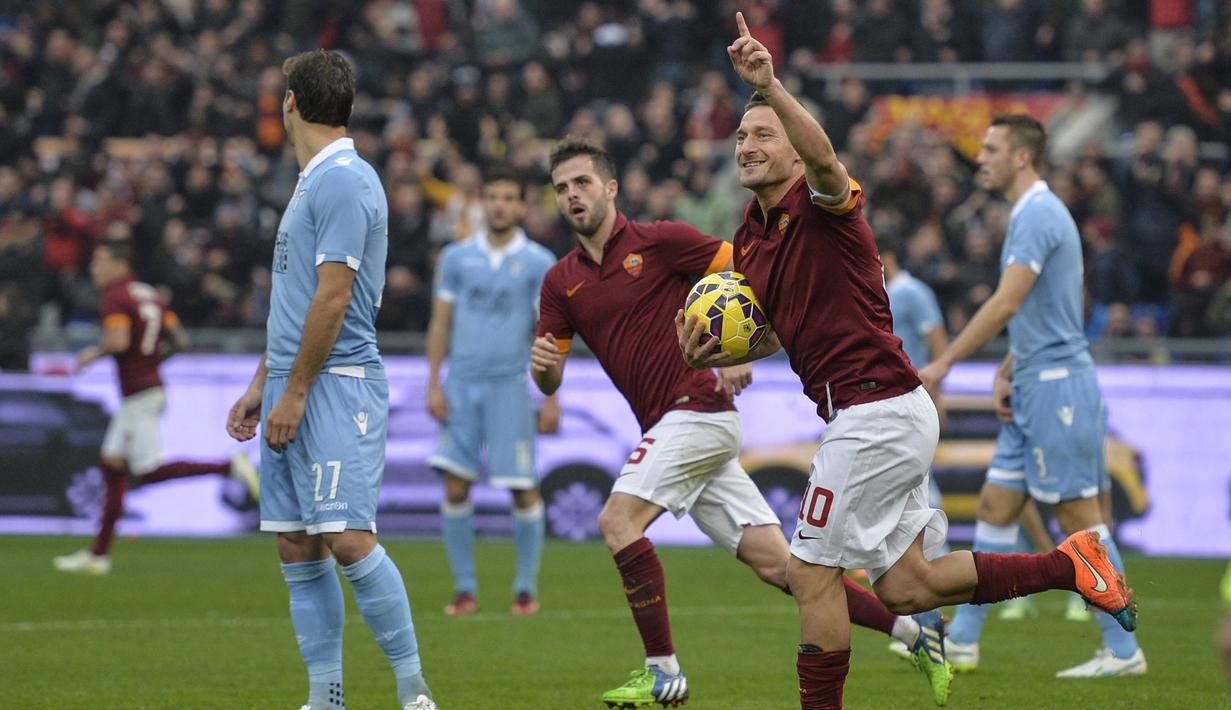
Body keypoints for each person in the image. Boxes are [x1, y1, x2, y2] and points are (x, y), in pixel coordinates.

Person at [677, 14, 1136, 709]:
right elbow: (781, 328)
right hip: (873, 410)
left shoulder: (824, 204)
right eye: (741, 135)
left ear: (795, 151)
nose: (746, 145)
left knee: (809, 571)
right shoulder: (749, 235)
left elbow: (829, 161)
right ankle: (1067, 563)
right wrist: (724, 348)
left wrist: (770, 84)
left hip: (875, 409)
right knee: (906, 586)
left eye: (763, 133)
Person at [532, 136, 949, 709]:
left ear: (610, 188)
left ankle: (663, 672)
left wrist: (741, 352)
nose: (572, 196)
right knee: (785, 568)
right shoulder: (561, 283)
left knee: (616, 520)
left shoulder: (662, 241)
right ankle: (914, 633)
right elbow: (549, 375)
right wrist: (547, 373)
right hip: (675, 428)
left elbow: (756, 281)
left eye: (582, 183)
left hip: (697, 411)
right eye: (561, 188)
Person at [224, 50, 436, 710]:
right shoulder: (314, 180)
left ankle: (413, 693)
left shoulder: (343, 179)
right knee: (297, 542)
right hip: (296, 376)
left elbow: (334, 297)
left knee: (346, 536)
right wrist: (266, 379)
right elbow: (295, 296)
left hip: (336, 381)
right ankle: (326, 699)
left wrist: (293, 391)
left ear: (290, 101)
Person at [916, 114, 1146, 679]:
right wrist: (1007, 369)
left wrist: (945, 362)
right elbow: (1051, 309)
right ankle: (964, 643)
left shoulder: (1038, 213)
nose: (982, 158)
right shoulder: (1034, 214)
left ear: (1022, 157)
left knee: (1079, 522)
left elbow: (1007, 302)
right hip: (1033, 382)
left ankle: (1123, 651)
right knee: (996, 507)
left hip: (1056, 388)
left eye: (992, 148)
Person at [54, 239, 259, 575]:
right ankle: (98, 555)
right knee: (113, 467)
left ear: (121, 264)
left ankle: (227, 467)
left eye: (101, 261)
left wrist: (93, 354)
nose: (95, 268)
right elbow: (180, 339)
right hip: (147, 390)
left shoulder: (116, 297)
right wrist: (152, 361)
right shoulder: (150, 294)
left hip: (140, 396)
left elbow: (118, 341)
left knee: (145, 471)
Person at [425, 164, 558, 617]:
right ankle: (464, 590)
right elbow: (440, 322)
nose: (500, 204)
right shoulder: (456, 258)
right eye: (493, 196)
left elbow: (549, 332)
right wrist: (433, 382)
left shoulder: (539, 262)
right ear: (482, 203)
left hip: (510, 386)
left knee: (523, 488)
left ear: (522, 205)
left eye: (508, 197)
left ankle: (525, 589)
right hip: (461, 384)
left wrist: (552, 395)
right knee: (456, 485)